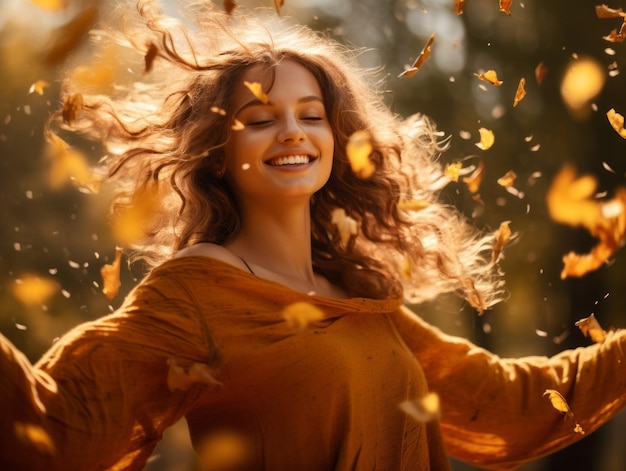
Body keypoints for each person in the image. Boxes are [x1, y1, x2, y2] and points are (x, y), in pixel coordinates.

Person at [2, 0, 626, 470]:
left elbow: (509, 406)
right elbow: (60, 422)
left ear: (338, 140)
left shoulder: (358, 297)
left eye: (312, 116)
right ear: (219, 152)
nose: (293, 133)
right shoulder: (196, 290)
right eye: (260, 119)